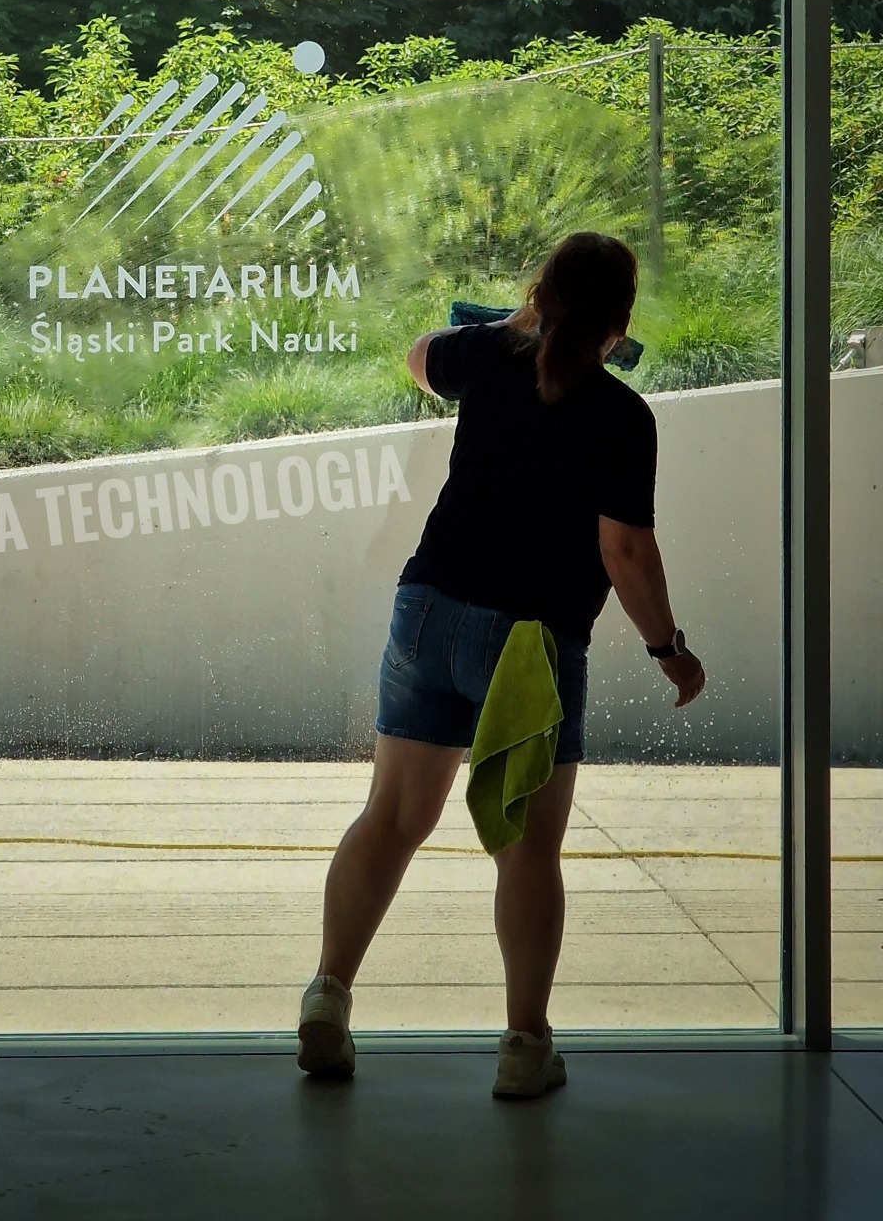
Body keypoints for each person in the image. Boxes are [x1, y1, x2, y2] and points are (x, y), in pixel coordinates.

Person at [297, 231, 706, 1098]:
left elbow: (418, 358)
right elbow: (625, 552)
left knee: (392, 819)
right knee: (525, 847)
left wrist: (506, 326)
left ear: (540, 293)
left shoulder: (486, 357)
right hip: (529, 646)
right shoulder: (622, 417)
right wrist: (669, 650)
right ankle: (525, 1049)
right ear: (620, 320)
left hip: (429, 613)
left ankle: (327, 999)